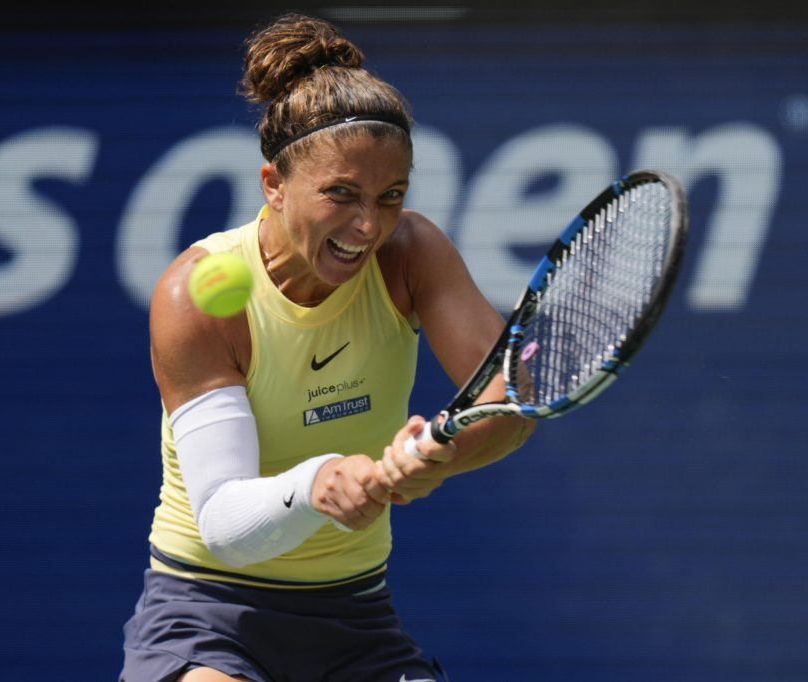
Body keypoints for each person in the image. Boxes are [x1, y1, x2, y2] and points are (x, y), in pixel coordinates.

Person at [119, 12, 535, 682]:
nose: (368, 224)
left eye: (390, 196)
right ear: (273, 185)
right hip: (206, 610)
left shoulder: (412, 253)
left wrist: (440, 458)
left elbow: (507, 402)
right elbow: (224, 519)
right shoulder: (194, 295)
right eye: (340, 194)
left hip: (355, 619)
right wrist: (317, 484)